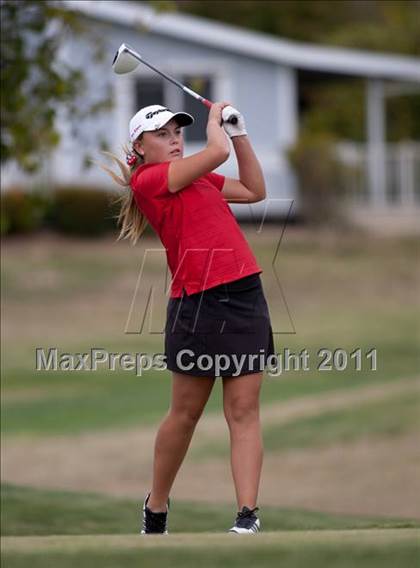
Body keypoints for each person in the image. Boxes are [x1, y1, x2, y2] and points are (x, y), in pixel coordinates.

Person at [100, 101, 275, 535]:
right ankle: (156, 508)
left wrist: (239, 132)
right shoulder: (150, 180)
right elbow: (214, 153)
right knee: (185, 414)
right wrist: (217, 121)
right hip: (196, 303)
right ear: (139, 147)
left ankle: (247, 517)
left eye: (178, 131)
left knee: (244, 409)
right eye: (162, 134)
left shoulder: (198, 179)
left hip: (244, 292)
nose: (175, 138)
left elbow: (255, 191)